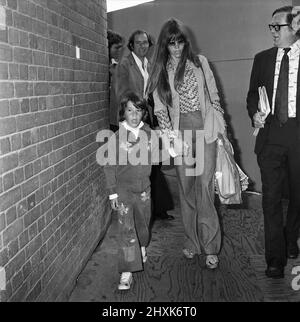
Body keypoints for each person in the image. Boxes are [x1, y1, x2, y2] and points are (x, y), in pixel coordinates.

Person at [147, 18, 226, 269]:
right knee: (186, 189)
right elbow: (160, 110)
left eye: (180, 42)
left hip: (206, 132)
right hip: (180, 135)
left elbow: (214, 98)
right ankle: (192, 242)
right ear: (165, 45)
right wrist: (171, 140)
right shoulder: (160, 70)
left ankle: (211, 246)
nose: (177, 47)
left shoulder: (200, 62)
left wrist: (222, 131)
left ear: (185, 42)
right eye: (172, 43)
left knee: (205, 187)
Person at [96, 92, 187, 290]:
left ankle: (142, 246)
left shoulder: (149, 134)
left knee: (143, 226)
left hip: (144, 191)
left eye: (138, 111)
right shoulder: (117, 137)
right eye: (130, 110)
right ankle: (127, 270)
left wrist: (174, 150)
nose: (134, 115)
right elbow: (109, 166)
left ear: (143, 113)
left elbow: (156, 158)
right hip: (123, 191)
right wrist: (112, 192)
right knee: (126, 230)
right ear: (123, 113)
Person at [247, 6, 300, 279]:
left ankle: (292, 238)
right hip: (270, 138)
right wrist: (255, 113)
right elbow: (252, 96)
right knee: (270, 200)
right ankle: (275, 260)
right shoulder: (262, 59)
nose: (272, 32)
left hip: (298, 135)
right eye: (270, 27)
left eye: (277, 27)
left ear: (294, 27)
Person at [115, 29, 175, 220]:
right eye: (139, 43)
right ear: (131, 45)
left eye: (146, 43)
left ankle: (156, 208)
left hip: (148, 117)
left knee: (152, 162)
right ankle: (137, 210)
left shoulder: (149, 65)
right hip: (132, 119)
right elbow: (121, 94)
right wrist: (134, 114)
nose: (143, 46)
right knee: (136, 164)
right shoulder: (125, 65)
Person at [107, 30, 124, 131]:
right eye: (116, 48)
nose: (119, 51)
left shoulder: (116, 67)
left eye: (120, 48)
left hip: (118, 117)